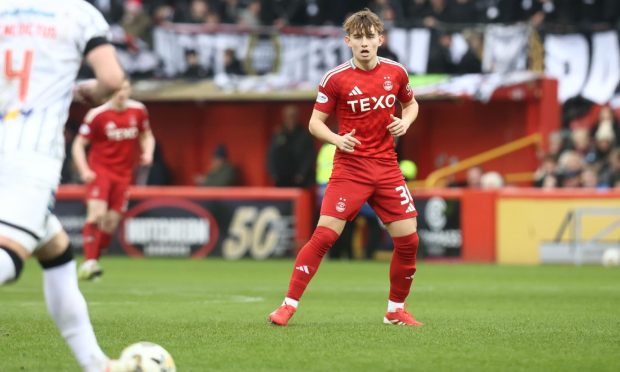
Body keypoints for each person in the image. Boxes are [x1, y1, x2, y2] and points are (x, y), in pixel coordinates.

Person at [0, 1, 137, 371]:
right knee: (9, 259)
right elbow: (111, 79)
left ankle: (96, 364)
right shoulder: (79, 14)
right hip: (28, 153)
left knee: (56, 251)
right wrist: (83, 92)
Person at [268, 8, 422, 327]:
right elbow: (314, 123)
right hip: (350, 169)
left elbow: (411, 104)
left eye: (370, 37)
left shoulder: (396, 72)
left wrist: (405, 122)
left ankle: (395, 310)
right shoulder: (335, 78)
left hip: (387, 168)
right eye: (358, 38)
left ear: (380, 39)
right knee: (324, 236)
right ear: (347, 41)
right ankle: (287, 305)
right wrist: (337, 140)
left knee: (409, 241)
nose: (364, 43)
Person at [72, 79, 154, 281]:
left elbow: (147, 135)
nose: (121, 93)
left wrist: (148, 153)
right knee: (97, 214)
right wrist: (84, 170)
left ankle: (93, 263)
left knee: (110, 223)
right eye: (117, 90)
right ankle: (89, 262)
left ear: (129, 90)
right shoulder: (97, 115)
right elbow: (78, 145)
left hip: (124, 174)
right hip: (100, 171)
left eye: (125, 89)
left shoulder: (138, 110)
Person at [267, 105, 316, 187]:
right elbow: (272, 154)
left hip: (300, 180)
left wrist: (302, 174)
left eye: (293, 116)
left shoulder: (304, 135)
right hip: (281, 179)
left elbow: (309, 156)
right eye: (288, 116)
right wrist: (273, 173)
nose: (290, 119)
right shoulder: (279, 133)